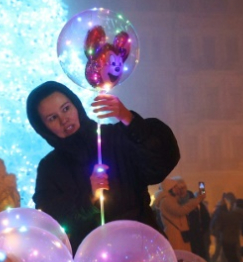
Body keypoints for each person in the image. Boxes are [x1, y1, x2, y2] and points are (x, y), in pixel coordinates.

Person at [26, 81, 180, 252]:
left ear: (76, 105)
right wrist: (88, 199)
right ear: (43, 127)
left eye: (66, 108)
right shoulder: (50, 167)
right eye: (52, 118)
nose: (64, 120)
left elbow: (160, 163)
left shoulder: (116, 137)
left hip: (144, 252)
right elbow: (50, 217)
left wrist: (130, 120)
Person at [157, 177, 207, 252]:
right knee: (180, 257)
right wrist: (198, 199)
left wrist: (198, 197)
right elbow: (180, 210)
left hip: (184, 235)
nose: (178, 190)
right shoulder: (166, 201)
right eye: (176, 187)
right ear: (170, 188)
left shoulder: (172, 199)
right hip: (176, 235)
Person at [211, 192, 243, 262]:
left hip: (227, 238)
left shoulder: (233, 214)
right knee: (233, 258)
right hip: (232, 237)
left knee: (230, 257)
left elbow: (222, 217)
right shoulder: (240, 214)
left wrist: (221, 206)